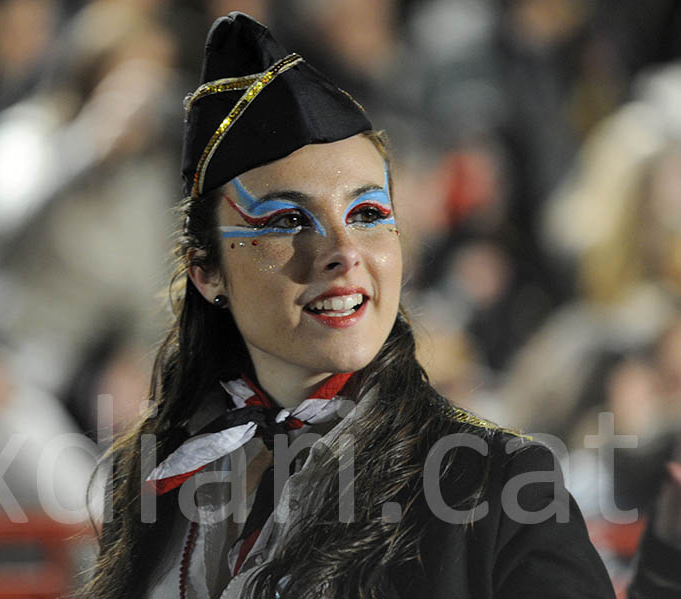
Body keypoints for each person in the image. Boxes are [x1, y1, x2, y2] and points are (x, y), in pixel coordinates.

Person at [82, 13, 615, 599]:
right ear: (207, 272)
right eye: (286, 220)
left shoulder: (500, 485)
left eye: (367, 214)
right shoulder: (153, 475)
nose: (342, 253)